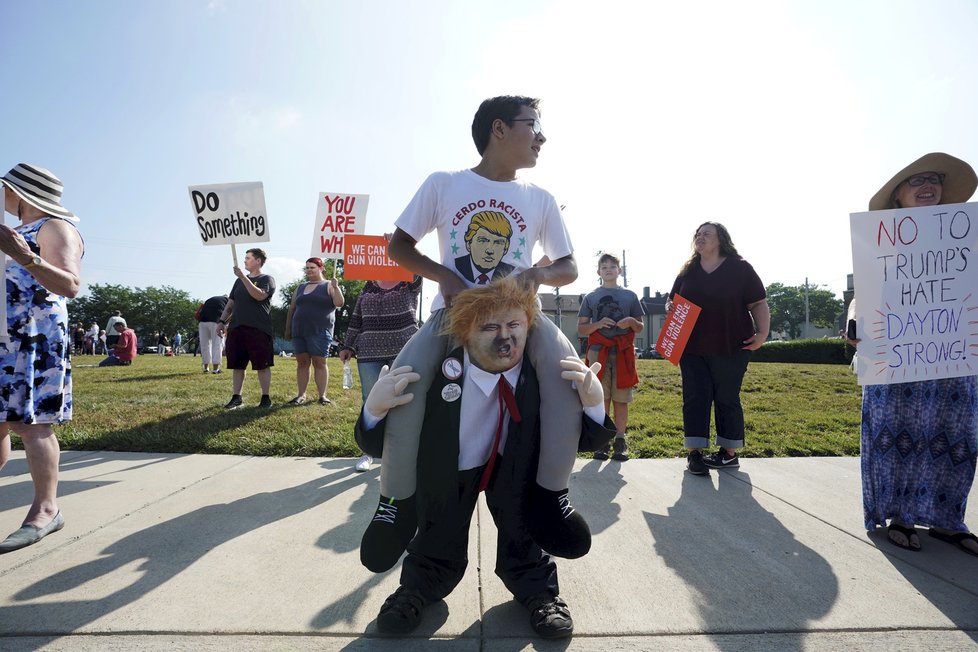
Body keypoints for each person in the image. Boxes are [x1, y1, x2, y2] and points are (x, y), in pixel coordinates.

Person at [363, 95, 587, 567]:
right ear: (499, 129)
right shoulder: (444, 184)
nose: (542, 136)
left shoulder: (540, 198)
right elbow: (399, 245)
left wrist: (537, 277)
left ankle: (553, 496)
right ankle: (394, 504)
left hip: (520, 318)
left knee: (566, 375)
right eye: (534, 125)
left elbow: (569, 266)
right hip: (457, 313)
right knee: (407, 379)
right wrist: (442, 275)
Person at [355, 278, 614, 638]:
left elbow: (578, 438)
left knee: (523, 528)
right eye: (489, 327)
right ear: (463, 329)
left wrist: (593, 403)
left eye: (514, 326)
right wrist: (374, 410)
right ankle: (418, 587)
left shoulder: (541, 374)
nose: (504, 338)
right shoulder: (436, 369)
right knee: (437, 530)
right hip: (451, 465)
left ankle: (537, 589)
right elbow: (384, 442)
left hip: (515, 464)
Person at [850, 152, 977, 556]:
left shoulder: (965, 236)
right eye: (916, 181)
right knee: (896, 433)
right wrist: (856, 322)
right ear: (898, 197)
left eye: (934, 179)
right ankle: (899, 516)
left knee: (953, 436)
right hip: (897, 355)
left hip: (953, 358)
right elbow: (864, 292)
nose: (927, 186)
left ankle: (946, 519)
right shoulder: (880, 238)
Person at [0, 163, 84, 554]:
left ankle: (46, 510)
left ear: (20, 194)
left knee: (34, 425)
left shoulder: (54, 228)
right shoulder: (12, 231)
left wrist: (24, 255)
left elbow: (70, 285)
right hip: (4, 339)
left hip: (35, 338)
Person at [668, 222, 769, 475]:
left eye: (706, 234)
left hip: (732, 346)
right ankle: (695, 454)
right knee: (695, 398)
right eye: (697, 234)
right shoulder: (687, 271)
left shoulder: (740, 268)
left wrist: (762, 333)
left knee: (727, 397)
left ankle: (729, 453)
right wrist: (670, 307)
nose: (700, 238)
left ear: (720, 240)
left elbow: (758, 303)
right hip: (691, 348)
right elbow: (673, 300)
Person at [340, 267, 422, 472]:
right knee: (371, 400)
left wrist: (407, 249)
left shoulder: (408, 281)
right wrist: (348, 345)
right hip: (369, 352)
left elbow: (418, 271)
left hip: (404, 350)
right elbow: (357, 318)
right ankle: (369, 451)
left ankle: (402, 451)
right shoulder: (369, 285)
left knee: (405, 402)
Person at [578, 252, 645, 462]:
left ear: (619, 271)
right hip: (599, 352)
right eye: (604, 266)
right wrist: (597, 324)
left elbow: (640, 326)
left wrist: (630, 323)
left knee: (621, 399)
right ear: (598, 272)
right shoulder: (591, 297)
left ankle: (620, 440)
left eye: (612, 266)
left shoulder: (630, 296)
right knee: (601, 398)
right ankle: (602, 441)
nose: (608, 269)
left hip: (623, 353)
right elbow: (581, 329)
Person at [216, 248, 277, 409]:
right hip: (237, 328)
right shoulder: (238, 282)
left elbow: (259, 296)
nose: (244, 261)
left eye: (248, 258)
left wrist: (243, 277)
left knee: (262, 365)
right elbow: (231, 303)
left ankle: (265, 398)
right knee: (237, 365)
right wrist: (221, 321)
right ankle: (236, 397)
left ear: (258, 261)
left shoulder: (267, 279)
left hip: (258, 328)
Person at [284, 257, 344, 405]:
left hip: (320, 331)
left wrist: (336, 287)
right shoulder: (300, 287)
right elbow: (292, 309)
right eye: (307, 268)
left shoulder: (329, 285)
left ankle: (322, 396)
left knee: (320, 362)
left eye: (312, 267)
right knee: (302, 363)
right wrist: (288, 329)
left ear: (321, 268)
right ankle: (301, 395)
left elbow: (339, 303)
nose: (309, 270)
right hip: (299, 331)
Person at [198, 294, 229, 373]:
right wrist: (225, 325)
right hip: (215, 321)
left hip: (202, 321)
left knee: (205, 344)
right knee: (217, 344)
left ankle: (206, 367)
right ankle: (216, 369)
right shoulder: (229, 301)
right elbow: (230, 313)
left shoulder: (211, 299)